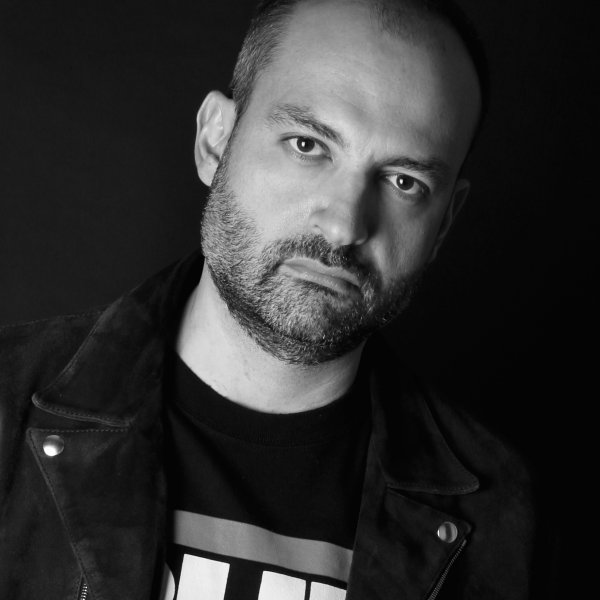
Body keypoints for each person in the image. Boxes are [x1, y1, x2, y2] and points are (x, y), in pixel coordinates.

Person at [0, 0, 542, 598]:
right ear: (216, 141)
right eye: (308, 145)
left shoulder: (498, 518)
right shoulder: (7, 403)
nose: (344, 225)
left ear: (443, 224)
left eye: (404, 182)